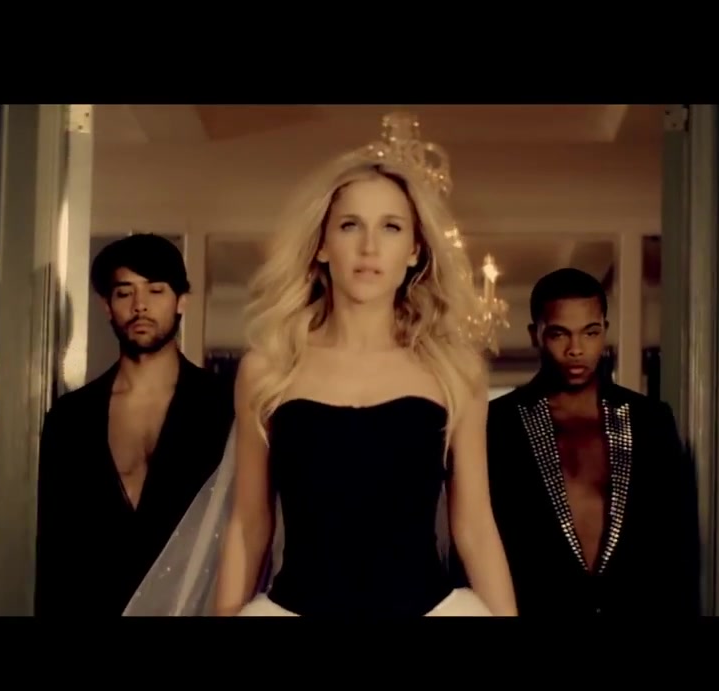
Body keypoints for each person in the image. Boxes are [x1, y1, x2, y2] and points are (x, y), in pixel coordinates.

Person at [198, 144, 518, 616]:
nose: (370, 247)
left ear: (415, 250)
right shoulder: (269, 369)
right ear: (322, 244)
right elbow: (249, 524)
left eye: (391, 227)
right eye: (350, 225)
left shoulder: (454, 369)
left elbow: (474, 527)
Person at [474, 268, 700, 615]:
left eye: (590, 332)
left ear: (604, 331)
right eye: (559, 334)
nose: (576, 349)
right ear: (536, 335)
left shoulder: (650, 421)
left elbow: (679, 545)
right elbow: (478, 540)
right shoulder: (499, 425)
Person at [34, 233, 234, 616]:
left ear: (181, 301)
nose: (140, 305)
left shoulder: (223, 407)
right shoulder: (72, 418)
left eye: (155, 290)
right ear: (106, 306)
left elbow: (246, 527)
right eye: (124, 292)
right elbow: (54, 549)